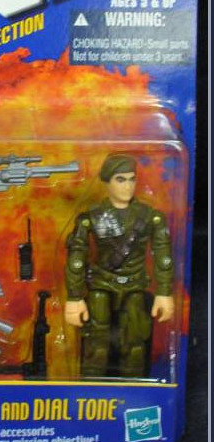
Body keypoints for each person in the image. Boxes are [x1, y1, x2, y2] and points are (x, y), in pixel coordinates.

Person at [64, 154, 174, 378]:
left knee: (135, 345)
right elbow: (77, 258)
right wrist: (74, 297)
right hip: (101, 286)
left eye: (132, 179)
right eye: (120, 179)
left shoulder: (150, 217)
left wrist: (164, 292)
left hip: (135, 286)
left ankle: (134, 392)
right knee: (97, 345)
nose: (128, 186)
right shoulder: (92, 217)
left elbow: (163, 256)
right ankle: (92, 393)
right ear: (107, 181)